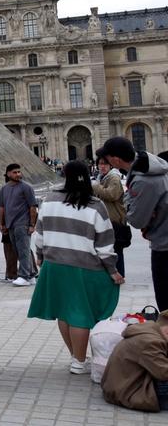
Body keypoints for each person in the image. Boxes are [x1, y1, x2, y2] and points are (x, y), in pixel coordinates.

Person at [28, 160, 122, 375]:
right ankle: (79, 362)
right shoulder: (95, 204)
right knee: (80, 314)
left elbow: (40, 234)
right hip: (83, 267)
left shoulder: (49, 200)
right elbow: (105, 244)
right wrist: (112, 270)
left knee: (65, 312)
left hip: (54, 265)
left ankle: (75, 357)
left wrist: (40, 256)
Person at [98, 137, 168, 309]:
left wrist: (130, 203)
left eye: (107, 158)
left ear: (116, 159)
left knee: (165, 303)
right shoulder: (151, 166)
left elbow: (136, 219)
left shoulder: (143, 180)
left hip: (163, 244)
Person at [101, 317, 168, 412]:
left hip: (123, 385)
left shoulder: (148, 331)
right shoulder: (151, 342)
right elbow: (163, 372)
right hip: (131, 391)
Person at [0, 163, 39, 287]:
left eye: (19, 172)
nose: (18, 174)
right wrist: (1, 223)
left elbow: (33, 207)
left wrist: (32, 224)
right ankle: (31, 275)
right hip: (10, 224)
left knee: (23, 250)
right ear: (8, 174)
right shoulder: (4, 189)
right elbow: (2, 207)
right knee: (18, 250)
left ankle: (24, 276)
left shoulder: (26, 187)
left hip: (23, 223)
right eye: (14, 172)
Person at [93, 156, 132, 277]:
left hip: (114, 220)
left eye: (105, 164)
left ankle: (119, 274)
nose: (102, 166)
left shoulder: (113, 178)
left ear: (110, 165)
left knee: (116, 250)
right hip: (106, 219)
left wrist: (96, 186)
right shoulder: (101, 178)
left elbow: (111, 195)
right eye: (100, 164)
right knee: (110, 250)